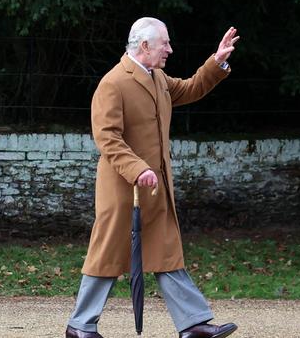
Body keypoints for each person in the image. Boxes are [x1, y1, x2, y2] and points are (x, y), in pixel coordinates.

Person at [65, 18, 240, 338]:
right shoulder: (113, 82)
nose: (170, 50)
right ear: (144, 46)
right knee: (107, 256)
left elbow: (190, 88)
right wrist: (138, 169)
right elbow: (107, 139)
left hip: (155, 189)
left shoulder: (157, 78)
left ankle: (193, 323)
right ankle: (80, 326)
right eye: (165, 44)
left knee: (166, 252)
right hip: (122, 190)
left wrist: (217, 61)